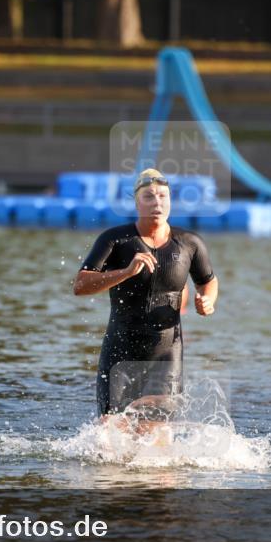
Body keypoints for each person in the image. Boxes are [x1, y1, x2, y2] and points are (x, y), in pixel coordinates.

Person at [73, 168, 219, 424]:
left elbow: (208, 281)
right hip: (121, 348)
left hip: (166, 352)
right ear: (136, 202)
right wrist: (126, 272)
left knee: (156, 431)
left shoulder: (190, 243)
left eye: (163, 196)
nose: (157, 203)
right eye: (149, 197)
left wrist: (208, 301)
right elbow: (81, 285)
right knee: (110, 429)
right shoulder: (115, 240)